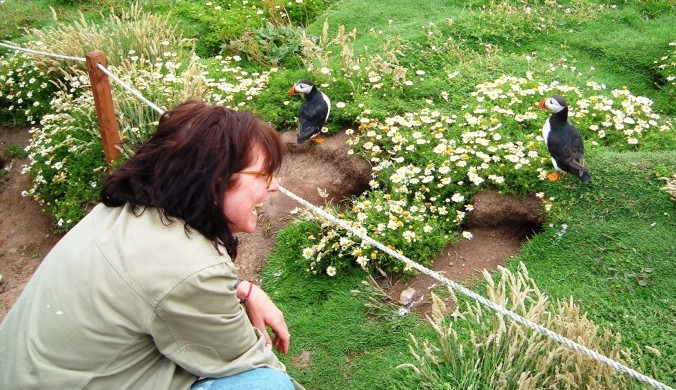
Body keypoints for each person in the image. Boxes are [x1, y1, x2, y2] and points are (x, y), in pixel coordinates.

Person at [0, 101, 303, 389]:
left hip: (25, 373)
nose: (274, 185)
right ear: (216, 182)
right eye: (264, 174)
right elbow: (245, 359)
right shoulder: (190, 267)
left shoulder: (125, 210)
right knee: (267, 384)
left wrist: (242, 288)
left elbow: (154, 281)